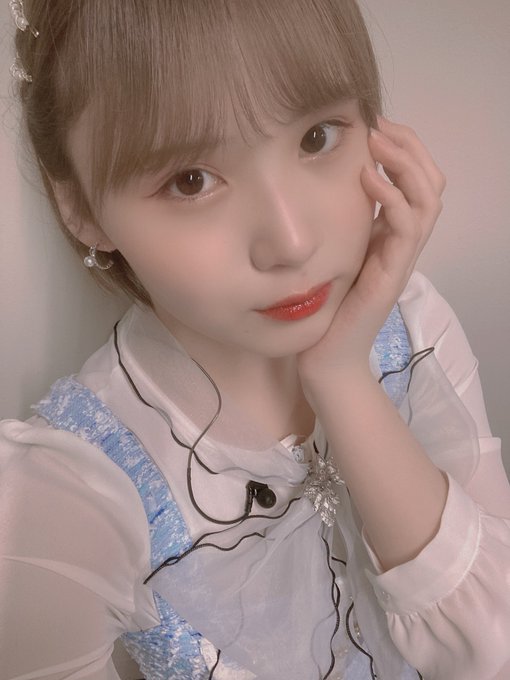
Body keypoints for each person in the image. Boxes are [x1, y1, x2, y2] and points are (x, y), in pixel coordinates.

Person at [1, 1, 510, 679]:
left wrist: (342, 378)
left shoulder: (411, 324)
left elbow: (496, 647)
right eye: (190, 181)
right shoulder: (66, 497)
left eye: (316, 138)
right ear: (80, 208)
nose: (292, 242)